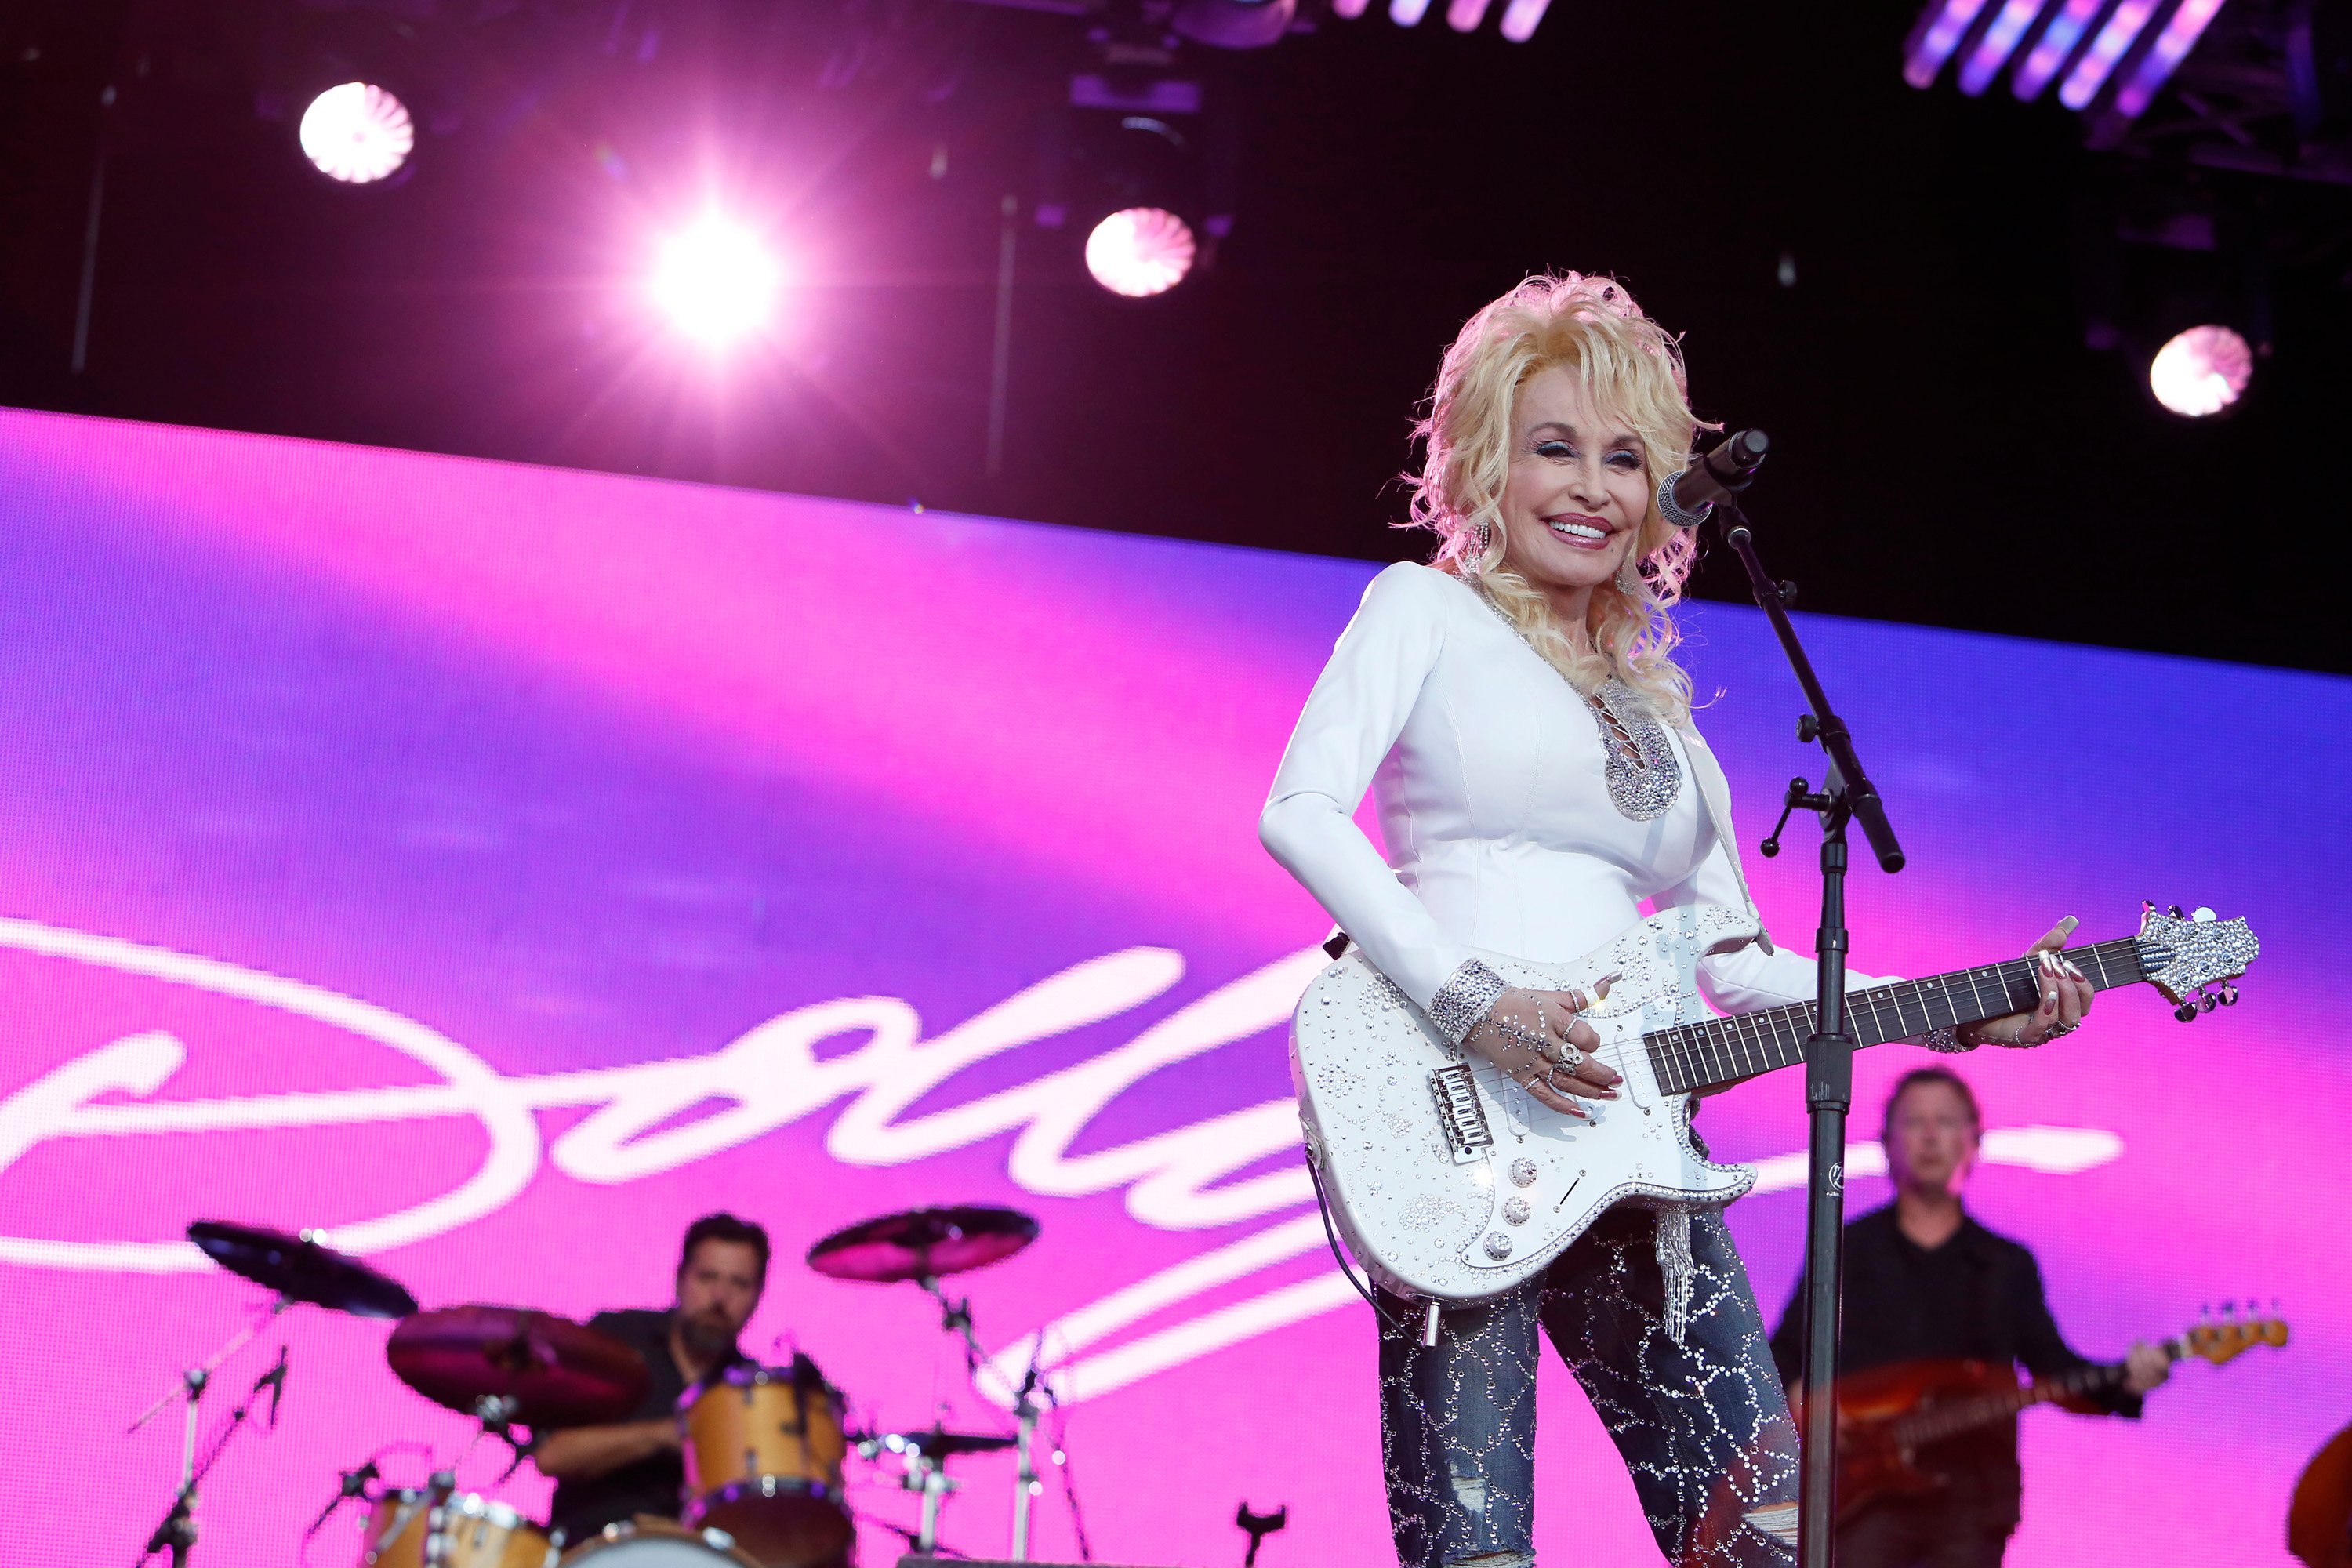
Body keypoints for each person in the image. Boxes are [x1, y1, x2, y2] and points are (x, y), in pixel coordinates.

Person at [1256, 272, 2094, 1568]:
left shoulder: (1671, 721)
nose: (1593, 485)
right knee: (1475, 1554)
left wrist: (1970, 1010)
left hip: (1640, 1146)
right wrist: (1474, 1003)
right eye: (1556, 448)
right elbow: (1302, 811)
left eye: (1626, 459)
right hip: (1455, 1127)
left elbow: (1738, 964)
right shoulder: (1422, 612)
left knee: (1765, 1537)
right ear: (1483, 460)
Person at [1769, 1068, 2167, 1568]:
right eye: (1915, 1122)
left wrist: (2126, 1382)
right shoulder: (1845, 1249)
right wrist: (1805, 1399)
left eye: (1946, 1122)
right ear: (1886, 1143)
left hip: (1972, 1499)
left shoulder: (2005, 1265)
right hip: (1858, 1495)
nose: (1931, 1136)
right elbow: (1783, 1355)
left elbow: (2052, 1368)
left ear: (1974, 1143)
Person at [537, 1212, 818, 1545]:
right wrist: (665, 1435)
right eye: (708, 1278)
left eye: (739, 1284)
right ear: (680, 1279)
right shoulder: (614, 1342)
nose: (720, 1297)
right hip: (592, 1545)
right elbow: (552, 1457)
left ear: (759, 1296)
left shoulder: (753, 1392)